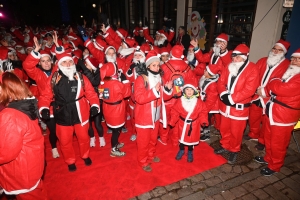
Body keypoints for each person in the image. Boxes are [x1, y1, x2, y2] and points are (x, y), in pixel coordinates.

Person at [38, 46, 100, 172]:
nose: (68, 64)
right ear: (59, 64)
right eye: (64, 62)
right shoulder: (54, 78)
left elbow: (91, 93)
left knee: (84, 138)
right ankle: (70, 160)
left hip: (80, 112)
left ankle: (85, 155)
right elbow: (45, 95)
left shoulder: (81, 77)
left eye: (70, 61)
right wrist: (44, 108)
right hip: (62, 113)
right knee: (65, 141)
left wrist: (94, 105)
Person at [0, 72, 47, 199]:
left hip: (20, 172)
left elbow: (4, 153)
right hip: (31, 165)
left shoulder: (10, 115)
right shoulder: (23, 106)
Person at [254, 48, 300, 176]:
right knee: (269, 138)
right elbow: (275, 87)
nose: (295, 61)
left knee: (278, 143)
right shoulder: (290, 73)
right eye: (294, 58)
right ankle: (268, 158)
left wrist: (274, 82)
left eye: (298, 59)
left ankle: (275, 165)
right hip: (273, 111)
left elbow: (281, 89)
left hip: (285, 115)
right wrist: (275, 84)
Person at [215, 44, 259, 164]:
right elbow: (221, 81)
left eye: (237, 57)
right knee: (224, 128)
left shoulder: (253, 69)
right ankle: (224, 145)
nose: (234, 59)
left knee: (236, 131)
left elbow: (249, 89)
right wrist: (223, 94)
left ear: (245, 57)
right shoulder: (229, 66)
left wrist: (232, 98)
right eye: (233, 57)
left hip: (239, 108)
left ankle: (234, 149)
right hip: (226, 106)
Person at [245, 39, 290, 150]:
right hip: (257, 94)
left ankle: (262, 140)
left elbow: (282, 84)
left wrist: (267, 92)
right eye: (274, 49)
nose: (275, 52)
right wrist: (255, 89)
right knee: (253, 116)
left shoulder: (287, 65)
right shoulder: (262, 61)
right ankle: (253, 133)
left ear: (283, 52)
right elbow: (253, 75)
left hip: (270, 98)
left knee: (266, 121)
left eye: (279, 50)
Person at [134, 50, 173, 172]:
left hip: (156, 115)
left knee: (153, 139)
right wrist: (154, 91)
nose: (156, 68)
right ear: (148, 65)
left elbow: (162, 97)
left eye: (158, 65)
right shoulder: (141, 79)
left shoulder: (159, 78)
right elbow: (139, 98)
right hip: (144, 117)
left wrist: (166, 89)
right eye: (154, 65)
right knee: (143, 142)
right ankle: (143, 161)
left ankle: (150, 155)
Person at [23, 36, 60, 158]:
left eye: (48, 60)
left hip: (60, 104)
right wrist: (35, 52)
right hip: (47, 106)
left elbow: (64, 59)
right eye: (43, 61)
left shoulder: (56, 70)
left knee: (61, 128)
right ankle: (54, 147)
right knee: (53, 129)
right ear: (39, 63)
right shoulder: (38, 74)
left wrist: (58, 47)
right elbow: (27, 66)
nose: (46, 63)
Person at [169, 78, 208, 162]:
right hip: (182, 124)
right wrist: (173, 121)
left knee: (191, 139)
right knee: (182, 139)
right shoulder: (180, 101)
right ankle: (181, 150)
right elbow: (175, 111)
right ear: (184, 91)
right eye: (187, 89)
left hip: (194, 124)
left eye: (191, 90)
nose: (189, 91)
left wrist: (203, 120)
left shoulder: (199, 102)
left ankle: (190, 151)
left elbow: (203, 112)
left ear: (194, 91)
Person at [100, 62, 131, 157]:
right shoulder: (117, 84)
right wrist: (125, 81)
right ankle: (113, 149)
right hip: (116, 110)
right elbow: (127, 93)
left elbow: (101, 95)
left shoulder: (103, 82)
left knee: (114, 129)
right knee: (116, 130)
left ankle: (115, 143)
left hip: (107, 108)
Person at [77, 56, 105, 147]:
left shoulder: (97, 73)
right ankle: (92, 138)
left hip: (96, 101)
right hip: (85, 102)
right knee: (88, 124)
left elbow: (94, 82)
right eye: (85, 64)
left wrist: (84, 68)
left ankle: (101, 137)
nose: (85, 65)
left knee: (97, 124)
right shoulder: (81, 74)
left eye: (87, 63)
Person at [199, 64, 220, 141]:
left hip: (210, 105)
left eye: (206, 70)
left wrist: (205, 109)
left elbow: (211, 99)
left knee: (206, 118)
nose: (204, 71)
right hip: (205, 102)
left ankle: (206, 134)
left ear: (209, 73)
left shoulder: (213, 85)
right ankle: (204, 130)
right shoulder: (206, 79)